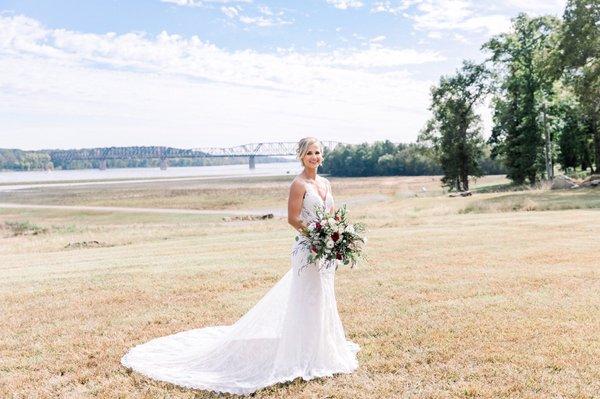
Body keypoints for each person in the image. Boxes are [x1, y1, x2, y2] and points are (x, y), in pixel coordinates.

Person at [121, 137, 360, 395]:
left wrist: (336, 236)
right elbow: (292, 219)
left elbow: (332, 215)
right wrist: (317, 236)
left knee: (324, 296)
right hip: (308, 249)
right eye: (309, 153)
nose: (314, 156)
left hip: (325, 253)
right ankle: (302, 351)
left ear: (321, 156)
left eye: (317, 152)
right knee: (307, 298)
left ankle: (322, 347)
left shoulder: (325, 183)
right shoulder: (298, 184)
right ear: (301, 157)